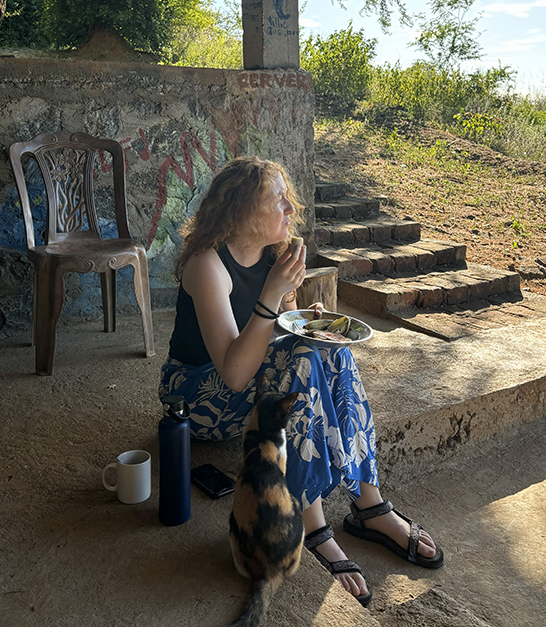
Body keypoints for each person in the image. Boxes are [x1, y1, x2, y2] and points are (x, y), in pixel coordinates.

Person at [159, 156, 443, 606]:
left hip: (251, 382)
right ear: (244, 210)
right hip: (198, 399)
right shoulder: (206, 264)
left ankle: (369, 504)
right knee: (305, 363)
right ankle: (312, 524)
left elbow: (283, 332)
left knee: (329, 350)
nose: (291, 208)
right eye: (279, 200)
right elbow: (233, 375)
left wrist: (306, 320)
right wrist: (272, 296)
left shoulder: (276, 252)